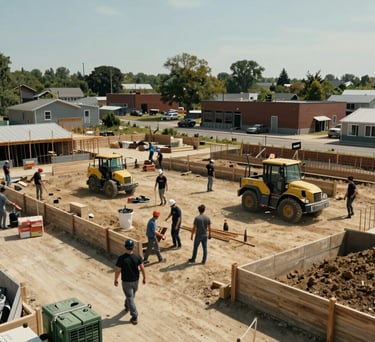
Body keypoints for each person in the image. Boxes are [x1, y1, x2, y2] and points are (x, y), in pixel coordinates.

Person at [114, 239, 146, 325]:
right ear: (133, 247)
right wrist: (144, 278)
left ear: (125, 247)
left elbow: (117, 270)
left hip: (126, 282)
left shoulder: (121, 258)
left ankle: (134, 316)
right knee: (131, 296)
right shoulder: (137, 256)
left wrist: (116, 279)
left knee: (130, 297)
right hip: (136, 281)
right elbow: (142, 268)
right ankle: (127, 306)